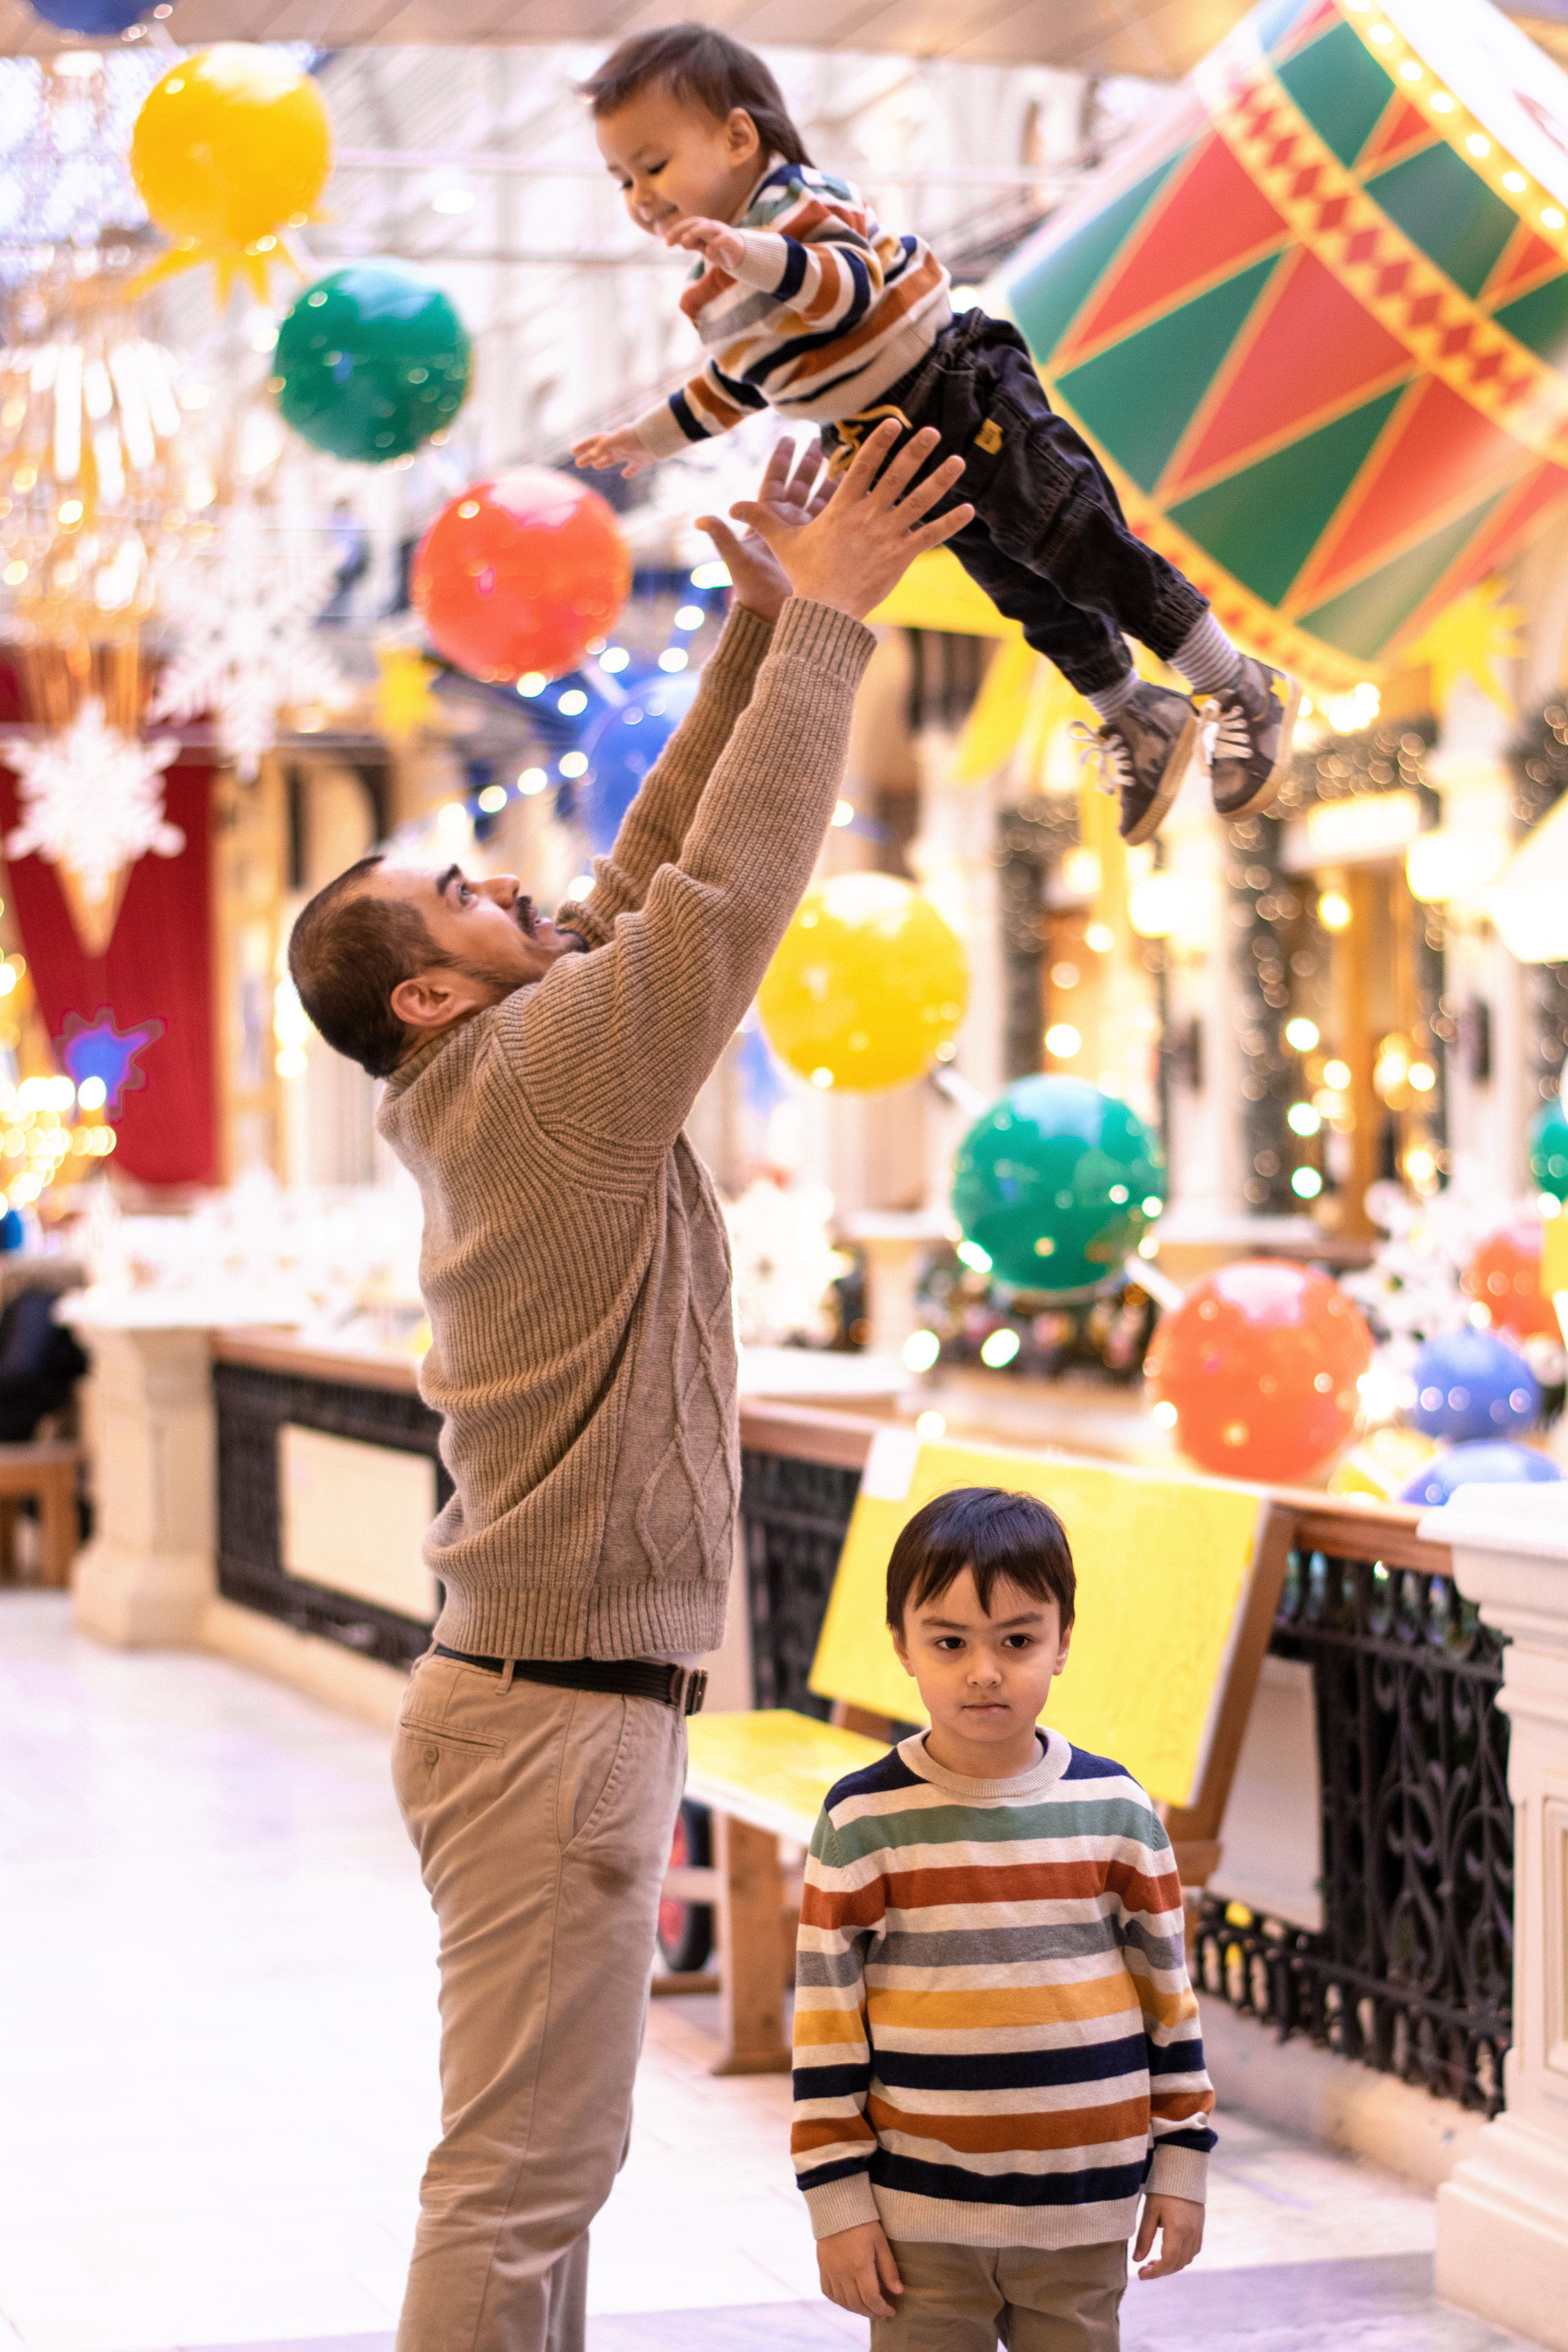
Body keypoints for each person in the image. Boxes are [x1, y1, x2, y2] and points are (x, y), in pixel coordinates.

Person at [285, 423, 973, 2352]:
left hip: (543, 1708)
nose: (508, 886)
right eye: (459, 895)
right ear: (428, 994)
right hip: (549, 1728)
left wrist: (759, 632)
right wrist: (829, 628)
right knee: (520, 2182)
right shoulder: (541, 1081)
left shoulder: (506, 1067)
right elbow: (722, 901)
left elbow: (647, 871)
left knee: (540, 2178)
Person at [571, 23, 1301, 850]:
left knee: (1075, 541)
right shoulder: (719, 285)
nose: (640, 195)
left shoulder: (801, 204)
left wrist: (747, 253)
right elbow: (737, 385)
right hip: (889, 445)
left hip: (958, 388)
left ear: (740, 137)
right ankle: (1133, 713)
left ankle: (1236, 682)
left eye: (654, 165)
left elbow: (841, 291)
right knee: (1023, 587)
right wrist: (646, 438)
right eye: (622, 178)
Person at [792, 1485, 1214, 2352]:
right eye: (950, 1642)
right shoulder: (863, 1821)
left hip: (1085, 2213)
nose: (984, 1671)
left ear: (1062, 1643)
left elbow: (1170, 2004)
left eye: (1017, 1640)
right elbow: (826, 2026)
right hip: (919, 2221)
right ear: (903, 1649)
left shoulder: (1117, 1810)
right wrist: (837, 2205)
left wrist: (1182, 2165)